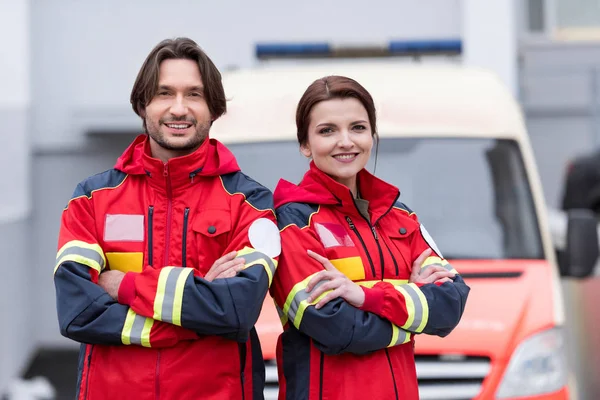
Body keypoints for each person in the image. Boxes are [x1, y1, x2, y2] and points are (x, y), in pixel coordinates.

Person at [53, 37, 280, 400]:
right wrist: (193, 319)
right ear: (143, 104)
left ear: (214, 107)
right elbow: (77, 312)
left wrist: (123, 285)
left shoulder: (250, 203)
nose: (179, 108)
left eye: (194, 94)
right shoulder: (91, 200)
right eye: (164, 94)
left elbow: (237, 310)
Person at [270, 76, 470, 399]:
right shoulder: (291, 220)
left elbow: (452, 302)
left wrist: (366, 298)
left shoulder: (400, 217)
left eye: (358, 128)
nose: (345, 141)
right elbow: (332, 326)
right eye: (327, 131)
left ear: (372, 137)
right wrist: (413, 310)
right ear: (305, 144)